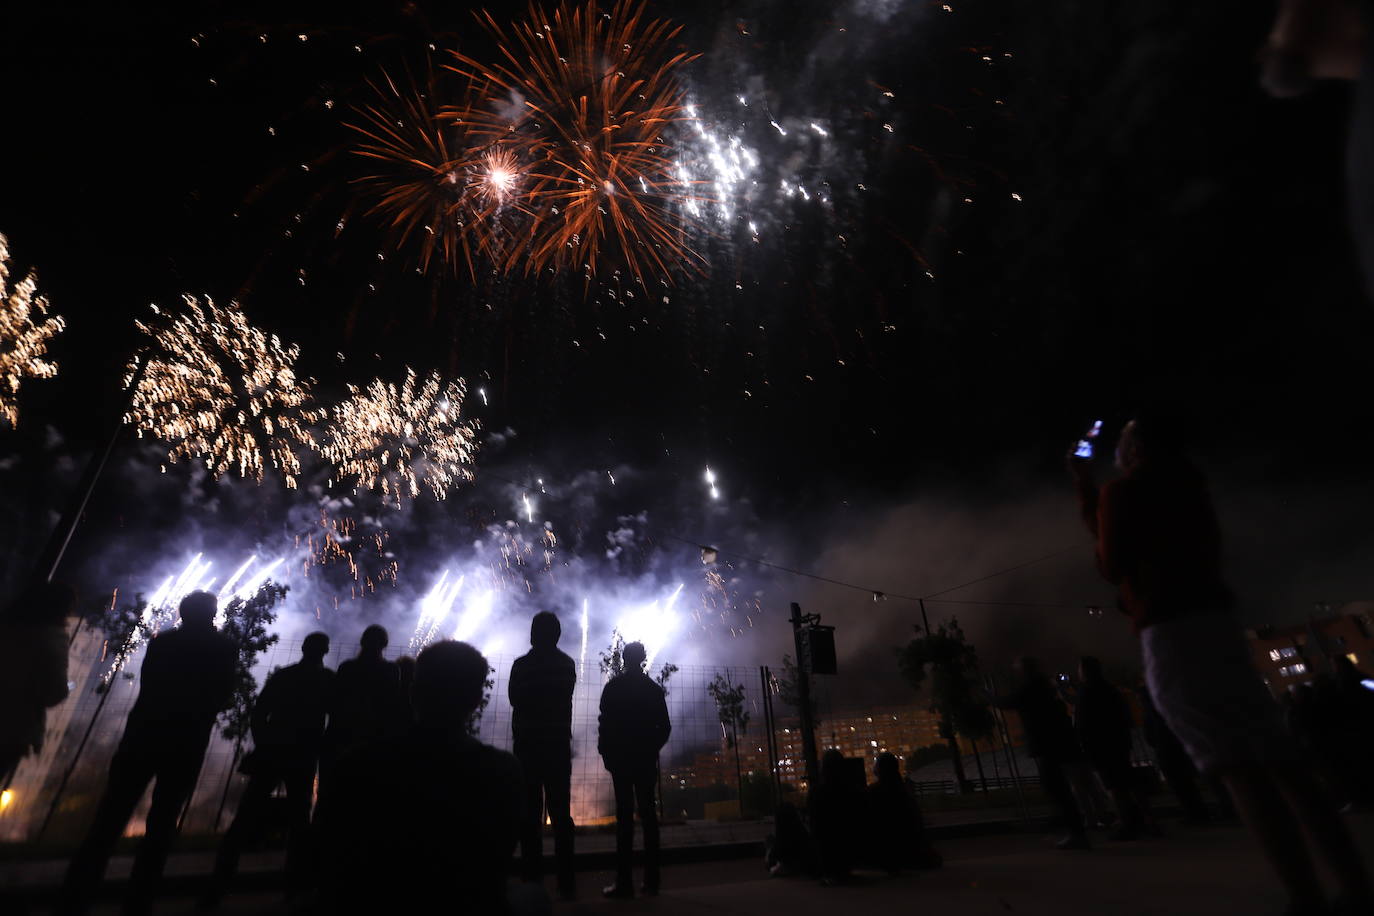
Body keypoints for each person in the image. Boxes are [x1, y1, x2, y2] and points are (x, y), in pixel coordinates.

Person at [1072, 414, 1374, 913]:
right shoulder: (1191, 488)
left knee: (1239, 770)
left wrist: (1087, 489)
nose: (1117, 454)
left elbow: (1111, 563)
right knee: (1282, 763)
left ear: (1138, 450)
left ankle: (1305, 895)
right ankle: (1354, 883)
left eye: (1124, 445)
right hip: (1218, 623)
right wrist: (1094, 496)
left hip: (1171, 631)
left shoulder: (1124, 493)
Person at [60, 591, 236, 916]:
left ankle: (76, 895)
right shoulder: (224, 647)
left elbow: (150, 685)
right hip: (186, 740)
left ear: (183, 612)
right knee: (164, 822)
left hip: (144, 733)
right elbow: (222, 695)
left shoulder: (163, 642)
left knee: (110, 816)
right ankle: (139, 900)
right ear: (212, 614)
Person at [316, 640, 525, 913]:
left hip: (372, 900)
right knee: (531, 896)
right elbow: (499, 859)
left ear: (413, 692)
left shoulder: (356, 765)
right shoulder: (504, 771)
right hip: (468, 901)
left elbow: (324, 849)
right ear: (475, 700)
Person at [204, 632, 335, 906]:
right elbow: (334, 719)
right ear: (325, 651)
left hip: (275, 751)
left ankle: (218, 885)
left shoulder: (285, 676)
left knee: (248, 815)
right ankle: (293, 888)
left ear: (304, 648)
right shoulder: (327, 680)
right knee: (299, 821)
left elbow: (259, 712)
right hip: (302, 755)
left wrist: (265, 741)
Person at [508, 611, 577, 898]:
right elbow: (564, 696)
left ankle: (532, 878)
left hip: (528, 746)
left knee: (529, 815)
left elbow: (515, 699)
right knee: (561, 815)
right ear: (557, 634)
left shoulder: (521, 666)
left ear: (534, 633)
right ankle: (566, 883)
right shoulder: (566, 664)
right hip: (558, 745)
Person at [598, 641, 670, 899]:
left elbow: (604, 723)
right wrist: (652, 748)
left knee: (624, 820)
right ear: (642, 659)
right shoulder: (653, 690)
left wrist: (606, 752)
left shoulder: (613, 688)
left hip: (621, 761)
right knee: (649, 818)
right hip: (644, 760)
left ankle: (624, 882)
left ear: (624, 658)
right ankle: (652, 881)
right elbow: (665, 727)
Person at [993, 657, 1091, 849]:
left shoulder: (1030, 688)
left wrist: (989, 696)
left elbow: (1008, 702)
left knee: (1056, 789)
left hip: (1046, 744)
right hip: (1052, 744)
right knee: (1057, 788)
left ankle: (1072, 831)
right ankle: (1068, 829)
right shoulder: (1043, 686)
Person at [0, 580, 75, 788]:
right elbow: (54, 692)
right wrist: (67, 687)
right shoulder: (52, 637)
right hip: (12, 728)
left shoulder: (7, 625)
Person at [1073, 656, 1156, 840]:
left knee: (1114, 787)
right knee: (1129, 782)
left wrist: (1085, 746)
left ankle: (1128, 824)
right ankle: (1148, 820)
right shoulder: (1110, 690)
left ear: (1084, 671)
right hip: (1119, 743)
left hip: (1100, 747)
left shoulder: (1086, 693)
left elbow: (1083, 724)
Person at [321, 624, 401, 791]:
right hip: (374, 741)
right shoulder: (391, 671)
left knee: (332, 794)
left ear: (362, 641)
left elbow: (333, 704)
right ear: (385, 644)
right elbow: (393, 707)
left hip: (340, 739)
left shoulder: (347, 668)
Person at [864, 751, 941, 873]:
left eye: (876, 765)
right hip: (910, 848)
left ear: (879, 770)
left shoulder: (874, 791)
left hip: (889, 848)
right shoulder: (904, 790)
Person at [808, 749, 865, 882]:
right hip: (851, 852)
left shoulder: (816, 792)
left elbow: (815, 827)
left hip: (826, 852)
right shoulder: (854, 791)